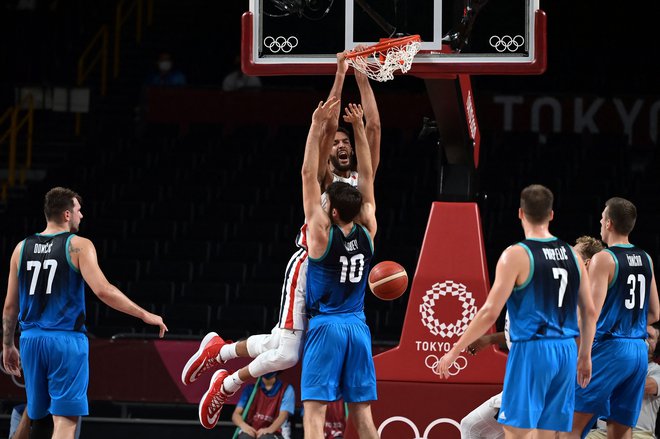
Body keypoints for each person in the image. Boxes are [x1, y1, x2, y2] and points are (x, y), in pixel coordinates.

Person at [181, 53, 382, 430]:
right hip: (311, 264)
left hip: (337, 282)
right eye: (336, 141)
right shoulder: (326, 181)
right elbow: (321, 137)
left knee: (282, 347)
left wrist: (365, 76)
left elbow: (372, 130)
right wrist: (340, 76)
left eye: (345, 142)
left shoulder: (361, 188)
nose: (341, 145)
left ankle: (219, 354)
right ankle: (224, 377)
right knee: (287, 352)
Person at [2, 187, 168, 439]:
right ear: (67, 214)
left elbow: (9, 307)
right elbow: (103, 291)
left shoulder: (21, 248)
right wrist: (145, 314)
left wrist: (7, 345)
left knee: (37, 419)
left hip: (30, 340)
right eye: (79, 210)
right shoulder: (78, 246)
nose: (82, 215)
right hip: (65, 340)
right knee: (65, 422)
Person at [438, 184, 598, 438]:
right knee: (548, 433)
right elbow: (589, 312)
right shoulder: (573, 256)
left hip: (532, 350)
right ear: (551, 215)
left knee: (516, 431)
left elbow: (490, 312)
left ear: (521, 213)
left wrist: (454, 351)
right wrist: (585, 356)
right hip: (566, 351)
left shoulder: (516, 255)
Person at [460, 236, 604, 439]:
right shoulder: (565, 289)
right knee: (477, 427)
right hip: (549, 373)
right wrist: (491, 339)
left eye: (575, 254)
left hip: (546, 377)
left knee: (475, 427)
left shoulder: (582, 297)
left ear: (586, 263)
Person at [300, 99, 378, 439]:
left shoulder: (320, 236)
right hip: (358, 327)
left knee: (314, 414)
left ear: (331, 212)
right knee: (363, 415)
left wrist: (317, 125)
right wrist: (358, 129)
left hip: (327, 326)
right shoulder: (369, 229)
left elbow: (306, 173)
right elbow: (369, 173)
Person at [567, 197, 660, 439]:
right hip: (638, 352)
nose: (599, 222)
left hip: (609, 348)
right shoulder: (646, 258)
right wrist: (630, 326)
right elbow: (655, 313)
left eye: (601, 218)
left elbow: (591, 314)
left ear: (608, 223)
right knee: (620, 432)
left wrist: (584, 355)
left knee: (569, 429)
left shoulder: (604, 259)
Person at [585, 326, 660, 439]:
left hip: (640, 433)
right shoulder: (610, 365)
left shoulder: (656, 370)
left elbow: (649, 386)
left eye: (649, 336)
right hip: (602, 432)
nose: (644, 338)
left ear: (657, 345)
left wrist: (615, 373)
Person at [231, 372, 295, 439]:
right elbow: (236, 415)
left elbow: (283, 416)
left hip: (276, 432)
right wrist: (244, 426)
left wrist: (269, 429)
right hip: (252, 430)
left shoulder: (286, 389)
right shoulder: (250, 388)